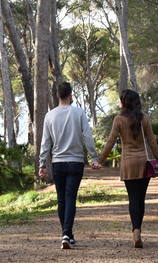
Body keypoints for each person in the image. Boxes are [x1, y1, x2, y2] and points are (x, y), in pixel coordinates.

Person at [39, 81, 102, 250]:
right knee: (70, 198)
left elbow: (45, 142)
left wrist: (42, 164)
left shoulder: (49, 116)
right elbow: (87, 136)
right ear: (70, 96)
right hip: (75, 163)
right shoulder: (79, 112)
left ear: (57, 96)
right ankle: (67, 234)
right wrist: (94, 157)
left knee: (61, 199)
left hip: (58, 163)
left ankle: (66, 235)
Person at [96, 89, 158, 249]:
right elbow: (152, 141)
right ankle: (138, 230)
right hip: (144, 163)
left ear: (125, 102)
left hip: (128, 164)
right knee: (141, 199)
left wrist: (100, 161)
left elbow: (110, 141)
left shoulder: (119, 119)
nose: (119, 102)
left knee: (133, 198)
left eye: (120, 100)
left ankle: (135, 230)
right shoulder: (144, 118)